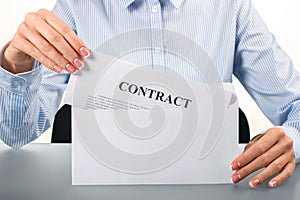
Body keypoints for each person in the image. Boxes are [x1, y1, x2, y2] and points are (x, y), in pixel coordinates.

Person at [0, 0, 299, 189]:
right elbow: (17, 134)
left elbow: (295, 105)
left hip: (206, 190)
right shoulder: (76, 7)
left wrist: (290, 141)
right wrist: (17, 64)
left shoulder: (229, 7)